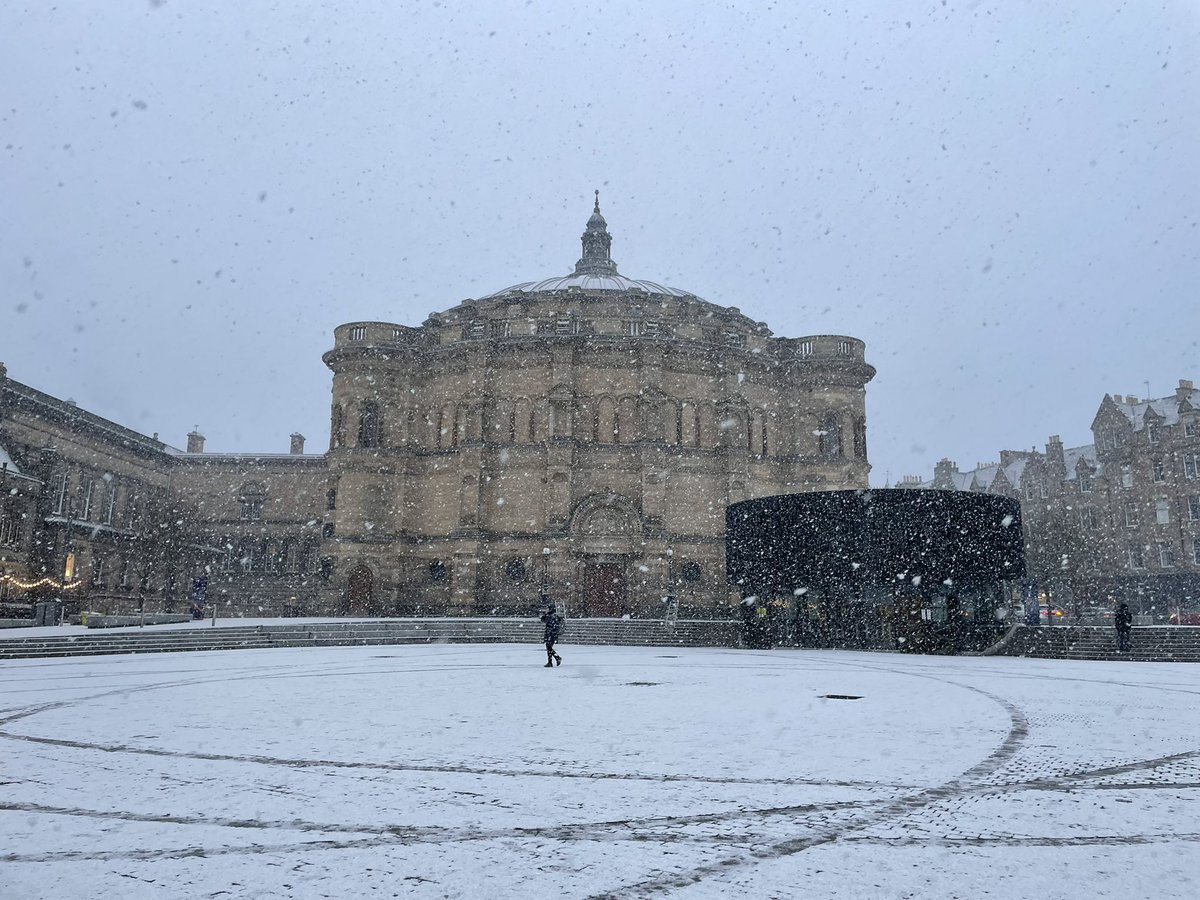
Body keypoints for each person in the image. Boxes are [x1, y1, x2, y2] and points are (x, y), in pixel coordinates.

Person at [540, 601, 563, 667]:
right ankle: (550, 661)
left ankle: (557, 658)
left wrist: (551, 633)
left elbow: (551, 625)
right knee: (548, 647)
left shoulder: (552, 616)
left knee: (549, 647)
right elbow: (543, 620)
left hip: (551, 634)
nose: (546, 610)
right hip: (550, 634)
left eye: (547, 608)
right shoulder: (551, 615)